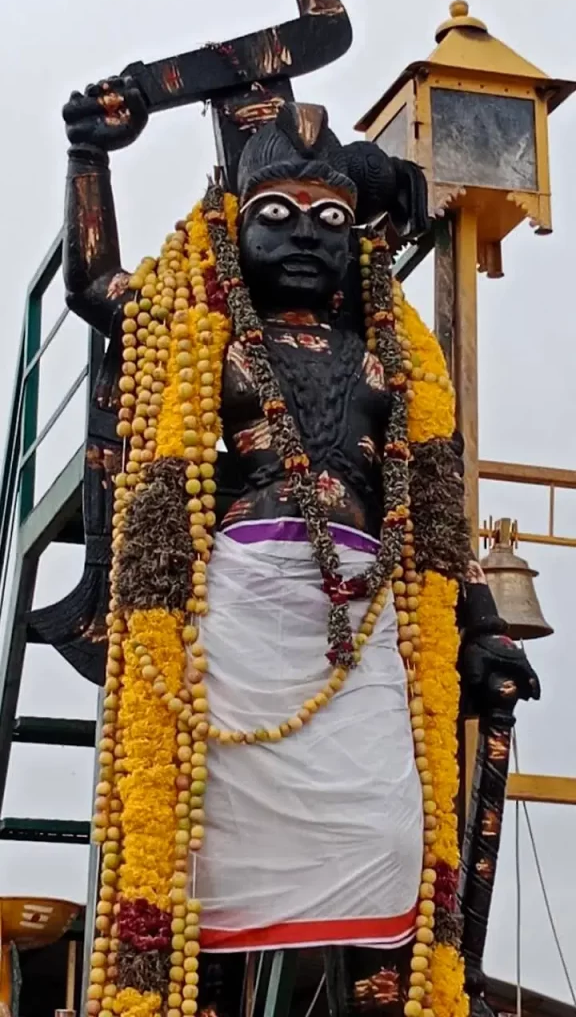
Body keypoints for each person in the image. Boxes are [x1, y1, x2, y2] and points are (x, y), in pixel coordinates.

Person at [63, 80, 539, 1017]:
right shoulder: (192, 326)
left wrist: (479, 624)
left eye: (332, 217)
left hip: (367, 623)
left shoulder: (393, 355)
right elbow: (93, 285)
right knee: (211, 854)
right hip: (234, 622)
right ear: (237, 225)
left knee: (391, 844)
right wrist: (90, 160)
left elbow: (436, 506)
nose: (307, 233)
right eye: (278, 214)